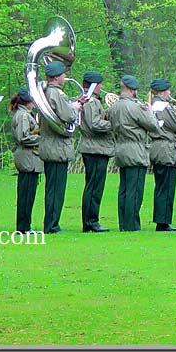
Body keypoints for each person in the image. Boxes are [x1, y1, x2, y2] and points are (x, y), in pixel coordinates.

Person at [107, 75, 159, 232]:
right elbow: (153, 125)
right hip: (135, 150)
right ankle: (132, 225)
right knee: (134, 191)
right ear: (131, 90)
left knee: (123, 190)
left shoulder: (114, 107)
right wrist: (150, 111)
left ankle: (124, 224)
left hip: (121, 148)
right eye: (135, 90)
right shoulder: (135, 107)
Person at [38, 60, 82, 234]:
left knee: (52, 188)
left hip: (50, 146)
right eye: (63, 74)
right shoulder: (56, 94)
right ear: (56, 77)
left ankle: (51, 223)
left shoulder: (47, 92)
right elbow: (68, 115)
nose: (65, 77)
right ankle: (52, 225)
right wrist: (76, 107)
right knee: (56, 190)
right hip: (56, 147)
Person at [77, 70, 113, 233]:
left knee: (93, 186)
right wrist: (113, 124)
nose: (102, 87)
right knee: (94, 186)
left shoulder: (90, 101)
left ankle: (90, 221)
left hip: (94, 147)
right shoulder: (92, 102)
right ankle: (91, 221)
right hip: (95, 148)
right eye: (99, 84)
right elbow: (94, 124)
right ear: (94, 85)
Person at [148, 78, 176, 232]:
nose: (170, 93)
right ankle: (163, 221)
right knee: (166, 186)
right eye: (168, 90)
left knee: (161, 185)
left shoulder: (153, 105)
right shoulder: (163, 106)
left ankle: (162, 220)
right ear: (162, 91)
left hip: (158, 147)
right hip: (165, 148)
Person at [10, 87, 43, 233]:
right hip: (27, 157)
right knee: (26, 195)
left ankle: (24, 226)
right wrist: (42, 139)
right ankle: (23, 227)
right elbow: (23, 137)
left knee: (28, 194)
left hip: (29, 157)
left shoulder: (24, 114)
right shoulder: (23, 115)